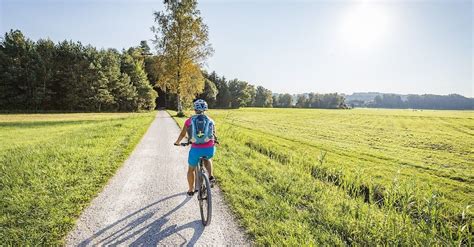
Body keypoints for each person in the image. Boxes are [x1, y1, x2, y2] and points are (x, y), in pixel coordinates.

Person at [174, 99, 217, 196]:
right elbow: (214, 135)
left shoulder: (189, 121)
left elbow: (182, 134)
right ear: (205, 109)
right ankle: (210, 176)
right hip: (209, 149)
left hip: (196, 150)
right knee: (207, 158)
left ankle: (191, 189)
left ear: (195, 109)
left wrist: (177, 142)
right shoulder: (211, 120)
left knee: (191, 170)